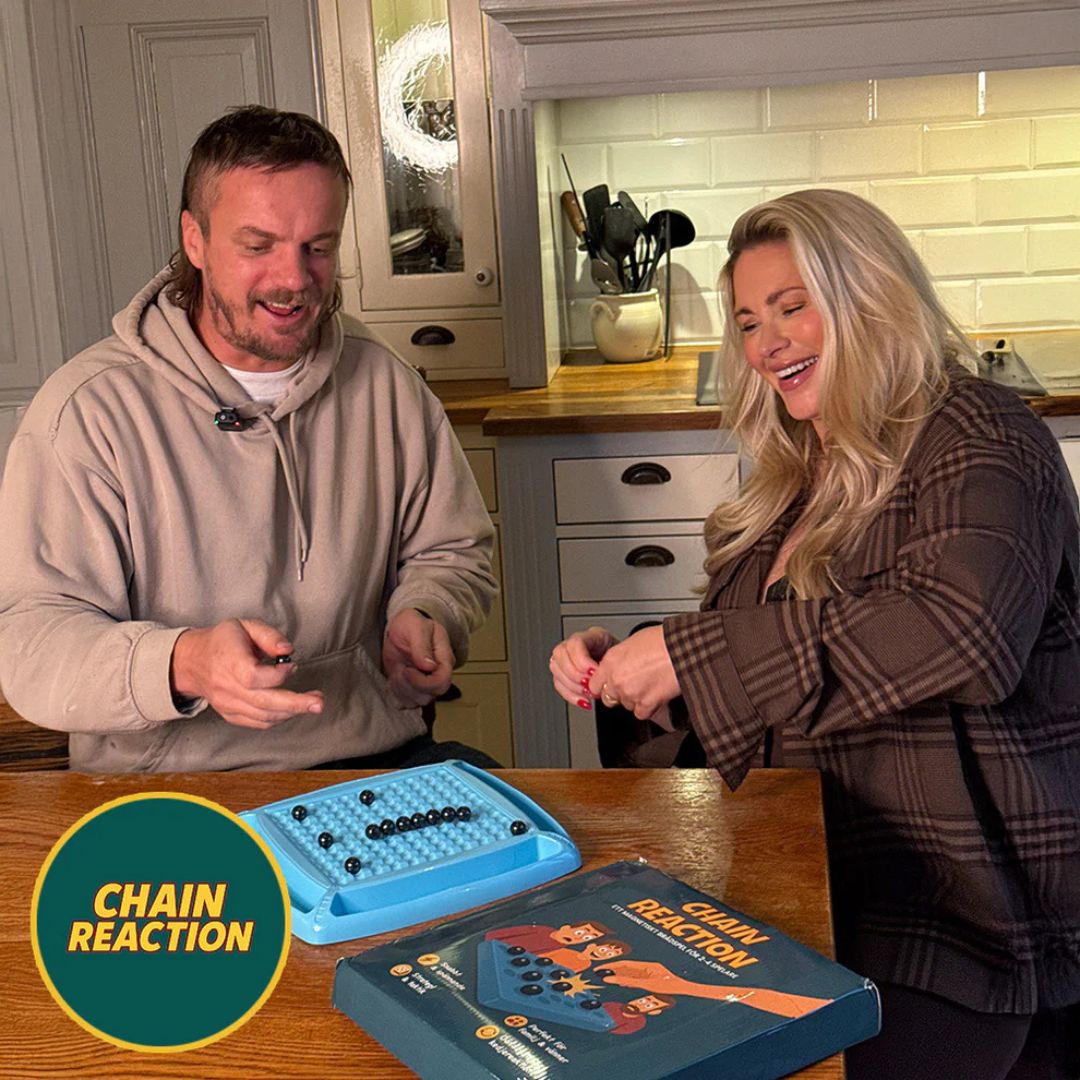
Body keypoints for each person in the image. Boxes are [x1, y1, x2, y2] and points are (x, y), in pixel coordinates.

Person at [549, 189, 1080, 1078]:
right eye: (749, 323)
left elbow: (963, 632)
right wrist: (638, 669)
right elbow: (764, 681)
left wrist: (692, 657)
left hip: (957, 919)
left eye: (793, 307)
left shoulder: (981, 432)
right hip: (802, 884)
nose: (767, 344)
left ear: (868, 296)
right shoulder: (798, 477)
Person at [0, 105, 498, 773]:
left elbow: (453, 551)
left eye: (317, 247)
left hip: (371, 761)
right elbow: (31, 645)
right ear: (195, 240)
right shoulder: (86, 413)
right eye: (258, 246)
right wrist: (183, 663)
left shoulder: (387, 384)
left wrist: (427, 611)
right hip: (171, 783)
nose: (293, 280)